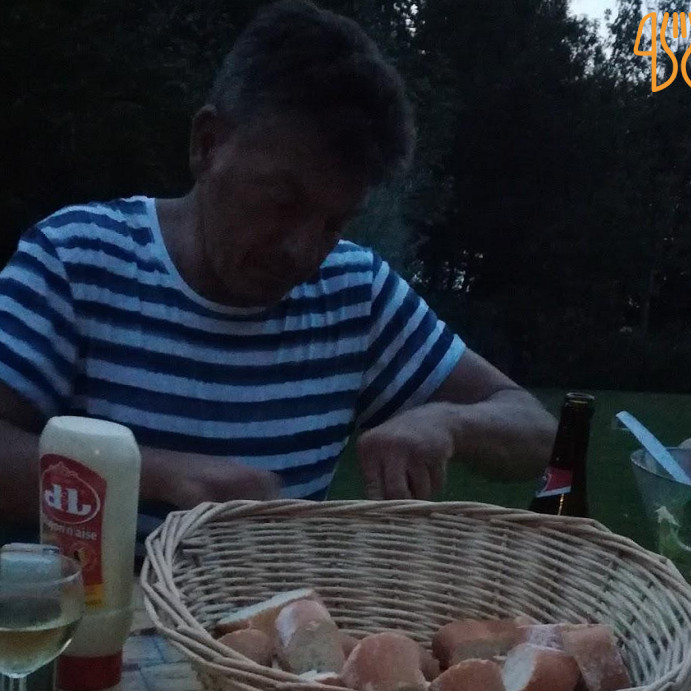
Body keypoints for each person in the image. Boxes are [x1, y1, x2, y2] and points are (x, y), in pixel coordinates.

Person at [0, 0, 554, 538]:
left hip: (270, 606)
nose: (303, 250)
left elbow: (538, 429)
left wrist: (448, 422)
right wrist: (160, 476)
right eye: (282, 202)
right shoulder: (77, 259)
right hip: (96, 601)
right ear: (208, 144)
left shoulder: (356, 291)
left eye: (334, 222)